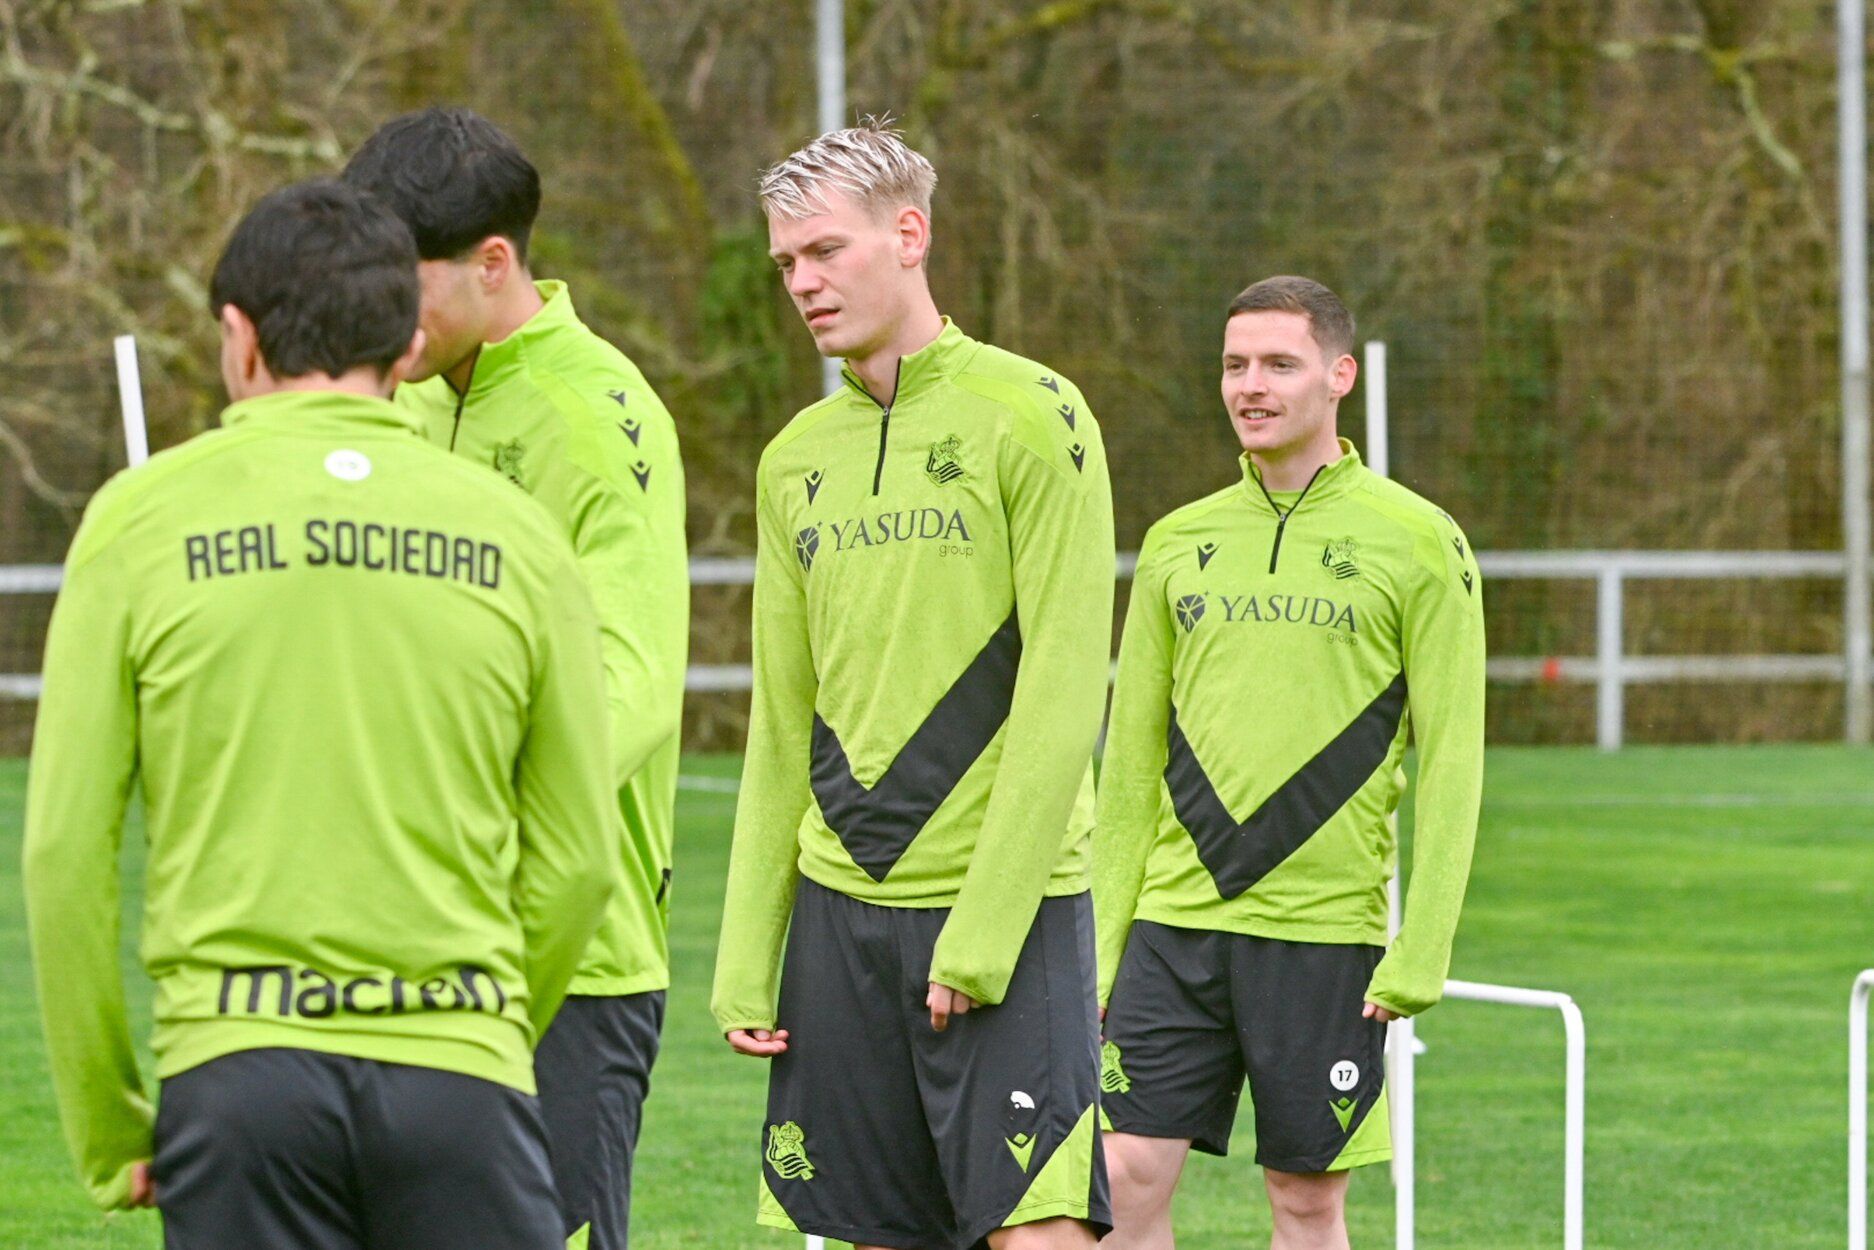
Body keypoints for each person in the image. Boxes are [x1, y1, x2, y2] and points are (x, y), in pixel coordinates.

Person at [22, 179, 618, 1249]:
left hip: (234, 1077)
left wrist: (113, 1123)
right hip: (459, 1070)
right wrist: (479, 1030)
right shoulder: (518, 533)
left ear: (237, 337)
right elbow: (576, 858)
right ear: (404, 343)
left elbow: (65, 853)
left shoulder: (138, 520)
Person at [710, 120, 1116, 1250]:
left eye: (824, 251)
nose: (801, 281)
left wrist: (980, 933)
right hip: (842, 917)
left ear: (908, 233)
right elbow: (779, 716)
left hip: (1009, 912)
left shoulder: (1035, 412)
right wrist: (750, 955)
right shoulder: (793, 456)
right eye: (785, 262)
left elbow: (1061, 686)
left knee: (1038, 1233)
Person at [343, 107, 689, 1250]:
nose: (388, 316)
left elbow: (627, 685)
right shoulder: (393, 402)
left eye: (410, 284)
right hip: (400, 939)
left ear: (495, 263)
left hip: (569, 960)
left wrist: (449, 802)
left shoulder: (600, 416)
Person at [1093, 276, 1486, 1250]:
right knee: (1120, 1172)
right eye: (1234, 363)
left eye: (1278, 362)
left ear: (1338, 374)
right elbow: (1129, 755)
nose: (1250, 384)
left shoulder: (1419, 541)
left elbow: (1452, 760)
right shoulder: (1176, 541)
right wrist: (1096, 940)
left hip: (1323, 937)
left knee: (1303, 1198)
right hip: (1170, 927)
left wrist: (1421, 945)